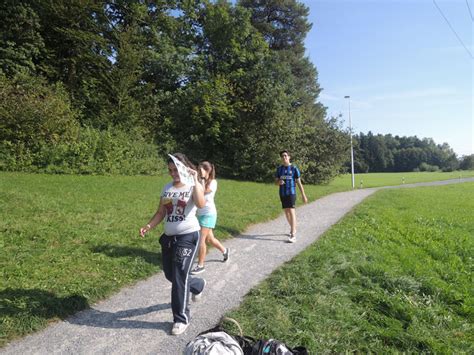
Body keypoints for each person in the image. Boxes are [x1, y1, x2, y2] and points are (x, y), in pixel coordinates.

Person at [139, 153, 206, 336]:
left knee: (178, 277)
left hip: (188, 237)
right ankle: (198, 285)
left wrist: (196, 179)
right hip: (169, 238)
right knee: (171, 274)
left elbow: (200, 204)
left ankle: (181, 318)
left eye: (175, 169)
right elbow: (161, 212)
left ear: (183, 168)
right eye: (169, 170)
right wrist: (148, 226)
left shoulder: (193, 185)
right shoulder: (167, 188)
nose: (172, 174)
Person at [191, 161, 229, 275]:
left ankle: (201, 265)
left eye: (201, 169)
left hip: (209, 214)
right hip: (200, 214)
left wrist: (201, 178)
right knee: (210, 239)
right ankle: (225, 251)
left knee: (201, 240)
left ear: (208, 171)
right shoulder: (199, 181)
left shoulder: (213, 182)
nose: (199, 171)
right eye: (198, 169)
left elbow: (202, 192)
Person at [275, 150, 308, 243]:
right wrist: (279, 182)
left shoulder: (294, 168)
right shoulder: (279, 169)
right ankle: (293, 227)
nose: (284, 157)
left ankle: (293, 234)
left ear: (289, 157)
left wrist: (303, 195)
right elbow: (276, 182)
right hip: (282, 193)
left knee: (291, 211)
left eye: (285, 156)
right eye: (282, 156)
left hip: (291, 193)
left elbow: (299, 183)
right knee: (286, 212)